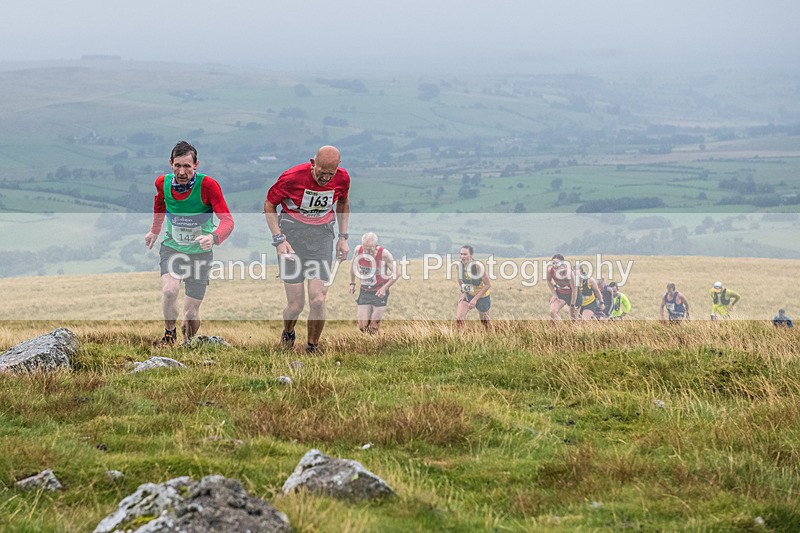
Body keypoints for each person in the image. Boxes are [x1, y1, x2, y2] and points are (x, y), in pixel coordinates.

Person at [144, 141, 234, 347]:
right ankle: (169, 334)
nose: (182, 171)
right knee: (169, 290)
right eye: (177, 165)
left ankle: (189, 344)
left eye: (187, 166)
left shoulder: (208, 186)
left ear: (196, 165)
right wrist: (155, 230)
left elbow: (228, 221)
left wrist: (213, 237)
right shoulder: (162, 183)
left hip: (200, 254)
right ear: (170, 164)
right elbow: (160, 202)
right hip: (172, 247)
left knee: (191, 314)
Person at [264, 145, 350, 353]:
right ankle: (288, 332)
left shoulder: (342, 178)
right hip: (292, 237)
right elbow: (269, 205)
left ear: (338, 168)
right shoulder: (292, 177)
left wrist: (343, 237)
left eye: (330, 174)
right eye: (321, 173)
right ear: (313, 164)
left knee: (318, 298)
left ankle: (312, 347)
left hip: (321, 236)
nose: (325, 179)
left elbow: (343, 203)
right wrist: (279, 239)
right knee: (296, 305)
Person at [349, 232, 397, 334]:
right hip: (365, 291)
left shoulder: (384, 254)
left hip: (379, 291)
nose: (367, 251)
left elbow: (397, 273)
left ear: (376, 245)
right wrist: (352, 283)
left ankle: (379, 344)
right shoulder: (358, 250)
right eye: (365, 247)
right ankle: (370, 344)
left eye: (370, 248)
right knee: (363, 327)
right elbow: (353, 267)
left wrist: (385, 288)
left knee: (374, 326)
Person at [456, 245, 491, 328]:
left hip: (482, 295)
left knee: (485, 324)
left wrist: (475, 299)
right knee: (459, 319)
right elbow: (460, 280)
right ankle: (461, 338)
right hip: (469, 293)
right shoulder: (459, 266)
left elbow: (488, 285)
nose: (462, 256)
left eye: (465, 254)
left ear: (471, 255)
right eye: (461, 254)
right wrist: (464, 292)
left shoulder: (478, 267)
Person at [546, 254, 578, 320]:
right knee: (553, 311)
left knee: (573, 317)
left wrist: (572, 305)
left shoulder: (569, 273)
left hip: (572, 294)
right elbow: (549, 281)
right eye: (553, 263)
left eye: (557, 263)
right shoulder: (550, 270)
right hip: (561, 292)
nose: (555, 265)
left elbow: (574, 289)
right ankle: (555, 329)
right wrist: (554, 294)